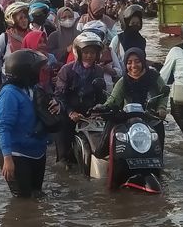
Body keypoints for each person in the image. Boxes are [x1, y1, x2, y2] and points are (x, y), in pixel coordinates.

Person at [0, 49, 61, 198]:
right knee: (23, 201)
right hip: (16, 154)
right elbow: (3, 127)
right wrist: (7, 159)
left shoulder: (33, 88)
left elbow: (42, 112)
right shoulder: (9, 94)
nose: (39, 73)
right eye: (37, 70)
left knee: (37, 196)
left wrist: (55, 104)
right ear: (25, 72)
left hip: (37, 152)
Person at [92, 47, 168, 159]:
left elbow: (164, 93)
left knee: (157, 155)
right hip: (129, 121)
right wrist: (102, 108)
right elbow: (113, 100)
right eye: (129, 62)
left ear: (143, 61)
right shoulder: (123, 81)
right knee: (102, 151)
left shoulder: (155, 77)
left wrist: (161, 108)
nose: (133, 66)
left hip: (152, 119)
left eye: (137, 61)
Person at [54, 32, 107, 164]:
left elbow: (101, 95)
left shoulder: (98, 71)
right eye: (86, 52)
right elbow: (60, 95)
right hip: (67, 114)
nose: (89, 56)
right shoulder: (67, 70)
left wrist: (99, 111)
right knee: (63, 157)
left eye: (93, 53)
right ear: (78, 52)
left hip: (89, 115)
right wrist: (70, 112)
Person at [0, 1, 31, 93]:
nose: (24, 20)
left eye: (25, 17)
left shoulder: (32, 35)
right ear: (12, 20)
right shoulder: (4, 38)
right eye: (20, 18)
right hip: (10, 80)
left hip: (30, 78)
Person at [79, 20, 123, 91]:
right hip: (86, 89)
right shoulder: (80, 51)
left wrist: (108, 69)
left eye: (97, 35)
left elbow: (120, 72)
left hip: (107, 89)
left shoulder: (109, 51)